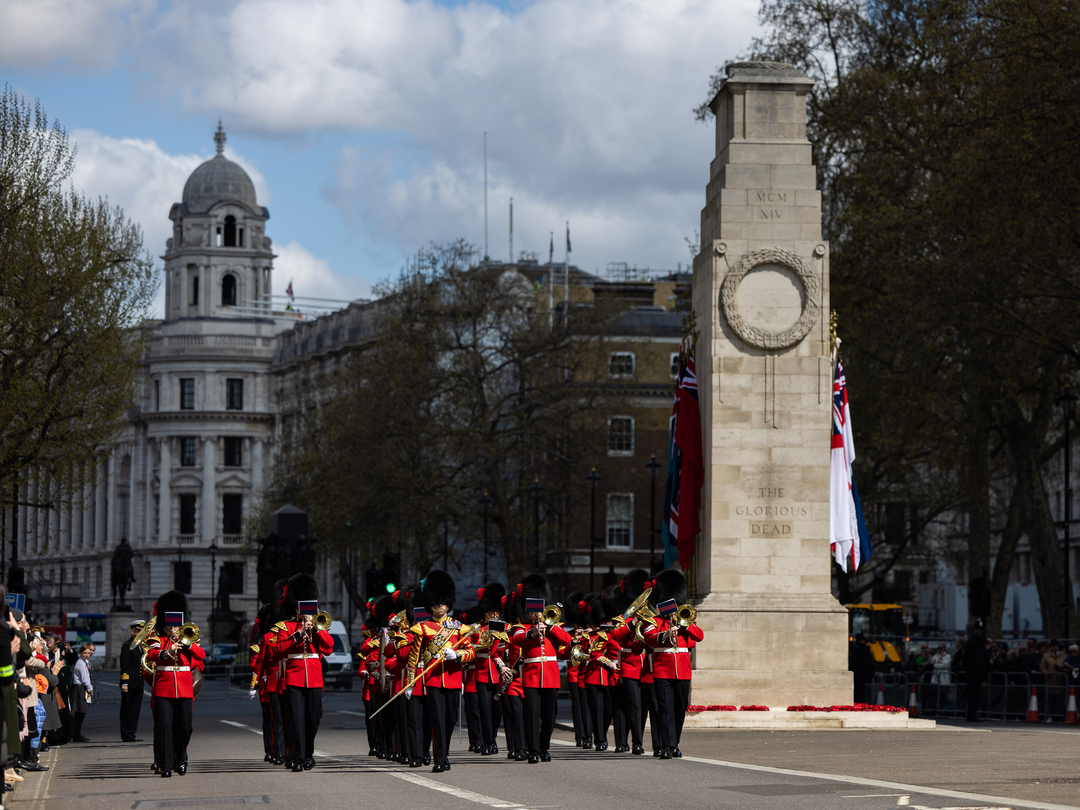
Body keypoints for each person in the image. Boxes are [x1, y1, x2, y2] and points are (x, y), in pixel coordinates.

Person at [407, 569, 475, 773]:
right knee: (437, 720)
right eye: (437, 602)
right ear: (431, 604)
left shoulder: (459, 628)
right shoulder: (423, 628)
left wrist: (458, 655)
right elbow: (414, 657)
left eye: (443, 602)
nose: (440, 605)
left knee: (450, 722)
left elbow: (471, 652)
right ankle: (440, 759)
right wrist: (411, 682)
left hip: (453, 680)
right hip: (434, 681)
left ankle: (444, 754)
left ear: (448, 603)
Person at [267, 572, 334, 773]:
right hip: (294, 678)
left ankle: (308, 754)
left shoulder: (318, 626)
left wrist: (317, 629)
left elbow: (329, 647)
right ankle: (296, 757)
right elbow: (276, 651)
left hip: (314, 678)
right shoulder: (286, 627)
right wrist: (298, 634)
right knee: (295, 719)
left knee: (313, 719)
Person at [639, 569, 703, 759]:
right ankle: (666, 746)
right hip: (662, 671)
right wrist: (665, 634)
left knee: (678, 709)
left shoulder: (685, 619)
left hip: (682, 671)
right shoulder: (654, 621)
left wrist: (686, 625)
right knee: (664, 709)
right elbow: (650, 639)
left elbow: (699, 636)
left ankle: (675, 743)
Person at [510, 574, 572, 764]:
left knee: (549, 716)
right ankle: (533, 751)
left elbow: (567, 641)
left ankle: (544, 748)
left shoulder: (555, 626)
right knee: (532, 716)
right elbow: (517, 639)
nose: (537, 614)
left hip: (551, 676)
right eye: (534, 612)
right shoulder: (522, 628)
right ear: (528, 612)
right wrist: (533, 631)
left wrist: (550, 627)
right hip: (531, 676)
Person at [145, 590, 207, 777]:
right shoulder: (158, 639)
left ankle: (180, 759)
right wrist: (167, 650)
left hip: (184, 688)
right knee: (164, 727)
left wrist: (186, 644)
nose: (173, 627)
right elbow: (152, 654)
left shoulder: (189, 639)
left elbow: (201, 655)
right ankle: (165, 765)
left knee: (185, 727)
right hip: (164, 688)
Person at [119, 619, 146, 742]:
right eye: (138, 631)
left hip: (139, 682)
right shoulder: (127, 645)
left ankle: (132, 732)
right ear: (133, 632)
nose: (141, 633)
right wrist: (125, 682)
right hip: (129, 683)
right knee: (127, 709)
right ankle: (126, 734)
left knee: (135, 709)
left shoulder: (142, 646)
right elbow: (124, 665)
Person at [960, 620, 989, 722]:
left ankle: (973, 714)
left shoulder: (979, 641)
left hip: (978, 672)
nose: (979, 632)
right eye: (978, 630)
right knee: (973, 694)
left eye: (980, 630)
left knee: (976, 695)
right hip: (973, 672)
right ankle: (971, 715)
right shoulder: (972, 642)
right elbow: (966, 656)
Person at [71, 643, 94, 742]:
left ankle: (77, 733)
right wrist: (90, 689)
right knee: (80, 711)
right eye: (85, 653)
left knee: (81, 712)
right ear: (80, 652)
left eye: (88, 653)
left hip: (81, 687)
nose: (87, 655)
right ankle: (76, 735)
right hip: (80, 688)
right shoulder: (80, 663)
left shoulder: (84, 661)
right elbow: (85, 678)